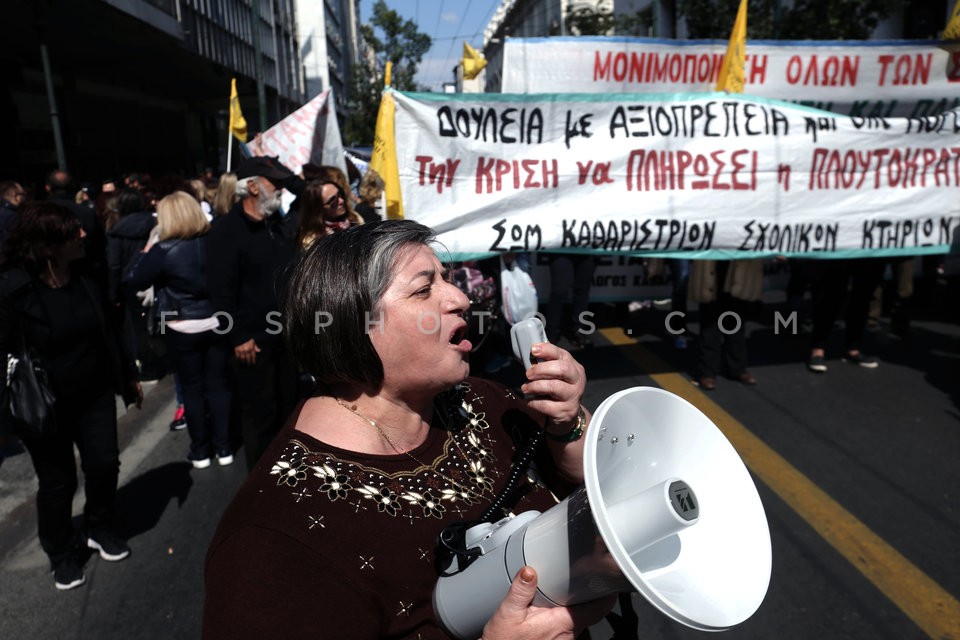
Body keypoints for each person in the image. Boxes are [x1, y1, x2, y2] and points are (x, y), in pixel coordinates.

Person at [203, 219, 611, 638]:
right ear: (352, 324)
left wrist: (567, 421)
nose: (461, 299)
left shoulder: (484, 399)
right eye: (423, 289)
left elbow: (593, 479)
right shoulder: (271, 538)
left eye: (448, 280)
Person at [0, 202, 142, 591]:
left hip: (94, 393)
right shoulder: (14, 288)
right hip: (45, 405)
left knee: (104, 463)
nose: (83, 235)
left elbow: (109, 332)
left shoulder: (86, 276)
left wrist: (128, 376)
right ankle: (61, 552)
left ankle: (99, 526)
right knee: (57, 481)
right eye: (72, 232)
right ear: (49, 244)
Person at [125, 191, 233, 468]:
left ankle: (200, 451)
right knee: (219, 386)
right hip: (216, 320)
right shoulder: (215, 242)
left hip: (180, 325)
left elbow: (134, 279)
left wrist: (146, 251)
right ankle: (224, 447)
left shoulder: (162, 250)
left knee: (192, 390)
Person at [206, 155, 299, 471]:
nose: (281, 192)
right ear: (253, 187)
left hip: (284, 337)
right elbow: (220, 292)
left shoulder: (276, 224)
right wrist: (238, 335)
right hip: (252, 342)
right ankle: (261, 487)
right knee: (260, 415)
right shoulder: (226, 231)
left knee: (288, 407)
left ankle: (286, 475)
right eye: (275, 185)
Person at [689, 259, 762, 390]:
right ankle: (708, 371)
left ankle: (737, 368)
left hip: (737, 264)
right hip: (711, 262)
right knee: (710, 322)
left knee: (736, 321)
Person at [294, 179, 362, 250]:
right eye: (332, 201)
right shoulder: (313, 241)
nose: (341, 201)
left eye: (340, 194)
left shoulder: (354, 217)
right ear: (318, 209)